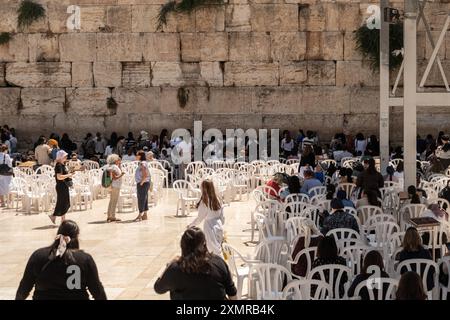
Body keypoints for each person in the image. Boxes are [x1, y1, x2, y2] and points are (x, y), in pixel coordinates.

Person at [16, 220, 106, 300]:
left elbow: (24, 287)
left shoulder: (38, 256)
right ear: (76, 237)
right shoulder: (84, 259)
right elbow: (97, 291)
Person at [154, 227, 237, 300]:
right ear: (204, 244)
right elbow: (232, 293)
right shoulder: (219, 262)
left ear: (183, 246)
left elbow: (158, 288)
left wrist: (170, 264)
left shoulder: (175, 268)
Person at [187, 180, 225, 256]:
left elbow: (200, 218)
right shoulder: (218, 199)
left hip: (209, 228)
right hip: (219, 226)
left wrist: (190, 225)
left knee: (212, 250)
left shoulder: (205, 202)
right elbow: (222, 217)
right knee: (219, 248)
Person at [398, 227, 434, 292]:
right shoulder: (426, 252)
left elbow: (401, 271)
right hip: (425, 285)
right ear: (418, 238)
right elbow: (432, 269)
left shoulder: (403, 254)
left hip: (408, 286)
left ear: (406, 239)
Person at [49, 151, 73, 225]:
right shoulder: (59, 165)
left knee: (63, 203)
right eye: (64, 156)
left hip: (63, 186)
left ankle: (56, 217)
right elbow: (59, 177)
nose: (66, 158)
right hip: (61, 186)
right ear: (60, 157)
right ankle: (62, 220)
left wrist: (69, 173)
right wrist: (68, 175)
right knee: (63, 203)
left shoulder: (62, 165)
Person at [105, 154, 124, 223]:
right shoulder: (114, 167)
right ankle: (112, 216)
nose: (119, 160)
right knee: (114, 201)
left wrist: (119, 165)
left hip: (113, 186)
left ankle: (109, 216)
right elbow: (114, 177)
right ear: (115, 160)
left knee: (112, 201)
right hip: (115, 186)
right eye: (118, 159)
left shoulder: (112, 166)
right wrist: (122, 174)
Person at [134, 150, 150, 222]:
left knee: (141, 199)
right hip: (145, 183)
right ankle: (145, 214)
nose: (135, 156)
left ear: (140, 156)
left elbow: (145, 174)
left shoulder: (142, 164)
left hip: (143, 183)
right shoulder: (144, 163)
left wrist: (141, 182)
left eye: (137, 155)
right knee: (145, 198)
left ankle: (140, 215)